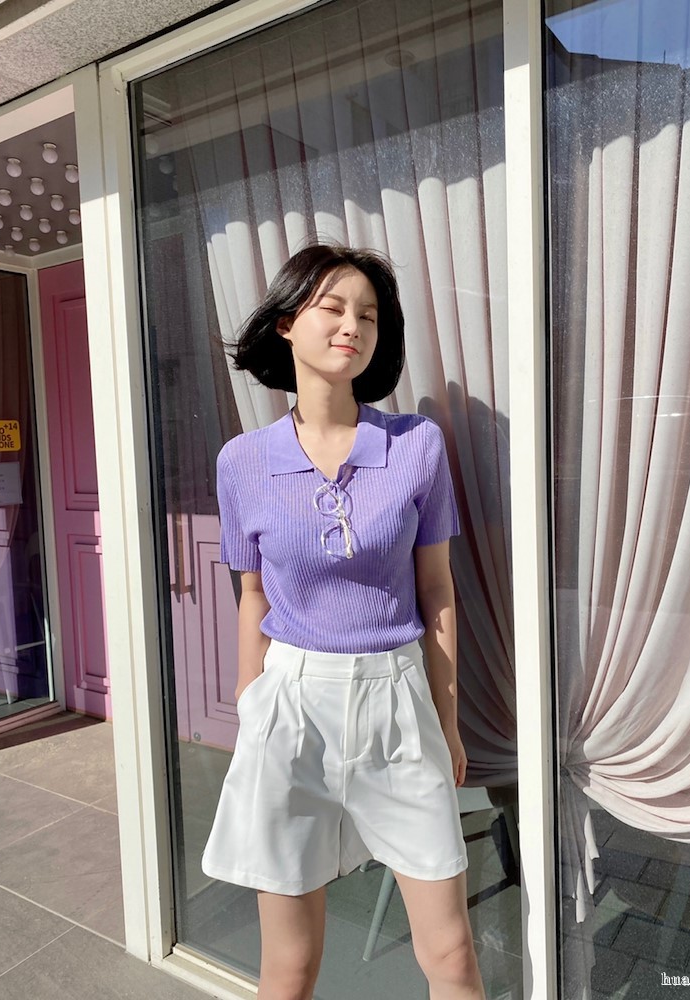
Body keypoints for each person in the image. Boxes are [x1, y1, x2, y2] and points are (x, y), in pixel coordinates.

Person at [202, 244, 486, 1000]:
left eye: (368, 314)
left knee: (452, 955)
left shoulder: (415, 445)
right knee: (289, 968)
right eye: (332, 308)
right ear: (286, 323)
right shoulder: (243, 461)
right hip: (291, 708)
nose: (352, 326)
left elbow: (436, 589)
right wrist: (251, 703)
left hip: (398, 702)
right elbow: (253, 594)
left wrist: (447, 722)